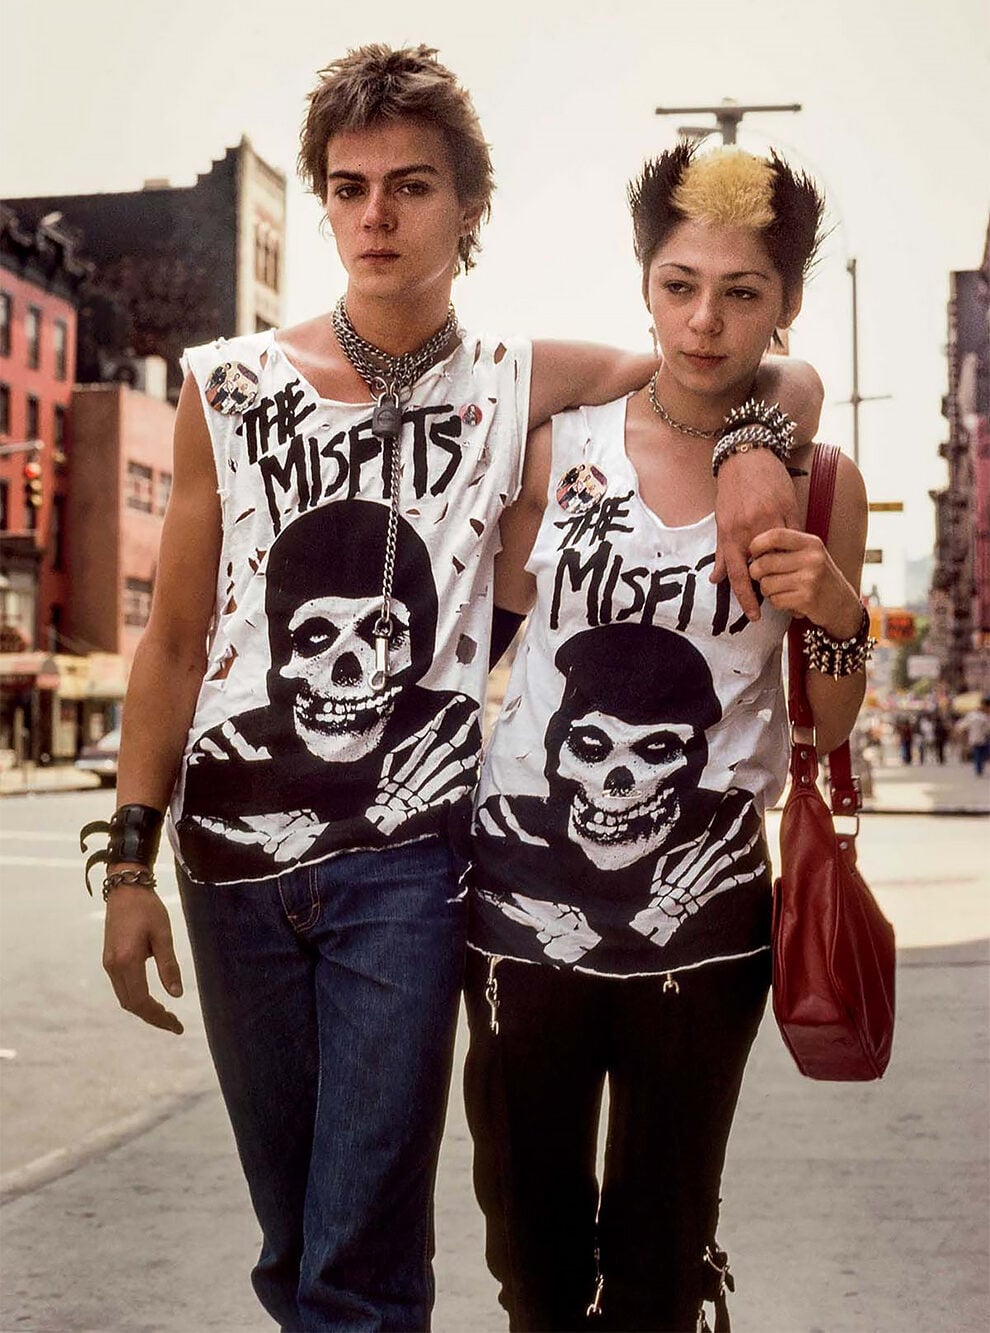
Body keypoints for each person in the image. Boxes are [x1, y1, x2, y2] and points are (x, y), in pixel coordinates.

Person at [82, 47, 822, 1332]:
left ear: (468, 208)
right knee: (292, 1233)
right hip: (230, 864)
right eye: (349, 186)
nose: (376, 215)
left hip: (411, 865)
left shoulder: (520, 383)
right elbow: (176, 635)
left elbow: (735, 361)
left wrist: (765, 443)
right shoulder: (230, 383)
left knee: (362, 1247)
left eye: (411, 187)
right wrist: (132, 866)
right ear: (322, 201)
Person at [464, 142, 870, 1332]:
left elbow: (825, 720)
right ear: (645, 284)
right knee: (532, 1265)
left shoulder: (817, 479)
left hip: (705, 937)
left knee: (658, 1268)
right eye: (681, 283)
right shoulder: (561, 445)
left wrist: (839, 613)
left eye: (743, 292)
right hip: (519, 924)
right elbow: (476, 638)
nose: (705, 321)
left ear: (785, 305)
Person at [957, 698, 990, 777]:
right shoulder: (975, 715)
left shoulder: (979, 715)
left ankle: (979, 770)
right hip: (979, 738)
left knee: (981, 754)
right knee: (978, 754)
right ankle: (979, 770)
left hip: (982, 738)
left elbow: (962, 725)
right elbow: (963, 725)